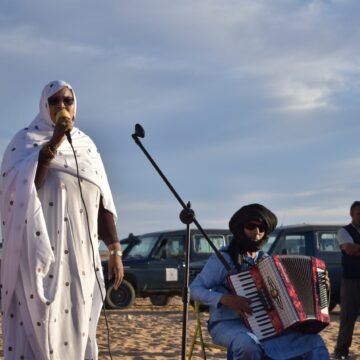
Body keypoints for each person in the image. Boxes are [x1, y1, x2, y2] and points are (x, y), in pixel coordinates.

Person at [0, 80, 124, 360]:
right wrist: (54, 140)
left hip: (80, 257)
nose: (62, 106)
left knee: (78, 322)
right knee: (39, 321)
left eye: (67, 100)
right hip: (38, 253)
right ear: (45, 106)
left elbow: (103, 200)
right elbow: (27, 185)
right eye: (55, 101)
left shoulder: (87, 146)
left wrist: (115, 249)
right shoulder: (24, 142)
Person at [190, 203, 330, 360]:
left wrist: (320, 290)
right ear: (240, 228)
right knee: (247, 344)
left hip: (267, 326)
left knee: (314, 342)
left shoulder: (267, 261)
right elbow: (194, 290)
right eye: (251, 226)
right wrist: (224, 299)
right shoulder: (223, 259)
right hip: (227, 323)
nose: (257, 232)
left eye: (262, 229)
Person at [334, 201, 360, 360]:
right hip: (351, 281)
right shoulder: (343, 231)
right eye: (359, 213)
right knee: (348, 319)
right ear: (351, 214)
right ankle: (341, 352)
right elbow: (349, 250)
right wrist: (354, 249)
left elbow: (355, 249)